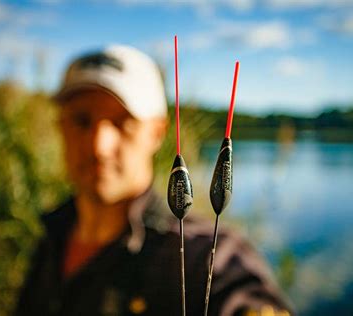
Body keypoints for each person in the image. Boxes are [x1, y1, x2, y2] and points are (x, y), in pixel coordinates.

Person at [15, 45, 292, 315]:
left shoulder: (206, 256)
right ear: (60, 126)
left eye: (123, 122)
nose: (99, 145)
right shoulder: (50, 237)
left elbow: (245, 298)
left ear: (158, 133)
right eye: (81, 120)